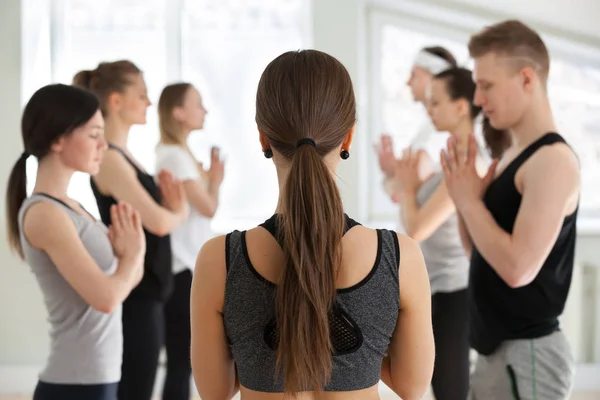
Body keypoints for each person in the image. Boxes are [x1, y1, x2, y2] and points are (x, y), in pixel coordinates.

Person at [189, 49, 435, 400]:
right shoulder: (400, 257)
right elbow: (412, 386)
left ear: (264, 138)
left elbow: (215, 391)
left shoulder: (219, 260)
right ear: (347, 137)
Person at [441, 20, 579, 399]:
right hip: (493, 352)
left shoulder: (553, 160)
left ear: (526, 79)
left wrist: (470, 201)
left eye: (486, 86)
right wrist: (463, 198)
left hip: (528, 354)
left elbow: (518, 269)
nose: (479, 100)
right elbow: (480, 256)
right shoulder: (509, 159)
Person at [5, 84, 145, 400]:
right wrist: (132, 256)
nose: (103, 145)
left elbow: (122, 284)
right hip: (74, 383)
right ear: (58, 139)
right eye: (94, 134)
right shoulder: (44, 214)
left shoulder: (74, 208)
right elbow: (107, 298)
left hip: (97, 377)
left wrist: (131, 257)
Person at [390, 66, 509, 400]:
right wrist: (405, 187)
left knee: (450, 390)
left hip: (455, 291)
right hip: (435, 289)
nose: (429, 110)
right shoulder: (449, 160)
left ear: (461, 107)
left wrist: (408, 190)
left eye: (436, 103)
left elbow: (416, 227)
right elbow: (409, 206)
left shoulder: (469, 164)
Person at [73, 61, 189, 400]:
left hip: (149, 291)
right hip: (135, 294)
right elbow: (158, 222)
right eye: (141, 95)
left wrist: (170, 206)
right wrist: (178, 208)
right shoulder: (109, 159)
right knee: (134, 390)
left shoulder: (125, 155)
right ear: (116, 101)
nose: (149, 103)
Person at [154, 82, 224, 400]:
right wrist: (216, 182)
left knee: (184, 361)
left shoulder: (180, 154)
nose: (204, 110)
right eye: (197, 103)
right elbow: (208, 207)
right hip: (182, 266)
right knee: (182, 361)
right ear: (178, 112)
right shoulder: (174, 156)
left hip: (186, 264)